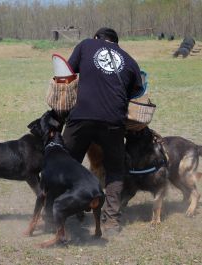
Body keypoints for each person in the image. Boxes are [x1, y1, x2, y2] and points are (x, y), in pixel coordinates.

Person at [63, 27, 144, 235]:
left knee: (66, 164)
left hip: (81, 116)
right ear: (117, 43)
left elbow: (66, 72)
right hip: (113, 121)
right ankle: (111, 222)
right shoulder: (130, 60)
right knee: (115, 170)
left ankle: (60, 211)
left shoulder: (85, 45)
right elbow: (138, 91)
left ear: (96, 38)